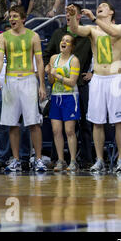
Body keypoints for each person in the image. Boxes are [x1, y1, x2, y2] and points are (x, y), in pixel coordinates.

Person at [67, 2, 121, 173]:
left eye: (104, 5)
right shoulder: (92, 30)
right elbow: (74, 30)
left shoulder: (120, 27)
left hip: (115, 78)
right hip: (98, 79)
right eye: (98, 6)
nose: (100, 6)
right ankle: (100, 159)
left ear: (111, 11)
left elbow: (113, 32)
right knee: (97, 122)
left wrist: (94, 18)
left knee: (119, 122)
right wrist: (73, 16)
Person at [0, 4, 47, 172]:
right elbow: (0, 59)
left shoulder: (34, 36)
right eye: (10, 16)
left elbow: (39, 61)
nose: (12, 19)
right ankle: (15, 159)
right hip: (10, 80)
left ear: (23, 19)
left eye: (15, 16)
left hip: (29, 79)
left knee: (33, 123)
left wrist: (42, 85)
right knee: (12, 123)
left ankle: (38, 159)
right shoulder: (3, 37)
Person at [43, 3, 93, 169]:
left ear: (79, 16)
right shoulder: (58, 33)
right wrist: (47, 67)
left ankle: (86, 159)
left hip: (81, 85)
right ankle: (57, 158)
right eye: (66, 13)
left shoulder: (87, 34)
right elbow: (47, 54)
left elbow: (99, 54)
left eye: (71, 13)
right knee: (57, 128)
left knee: (84, 124)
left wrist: (94, 71)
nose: (67, 15)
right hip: (58, 91)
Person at [47, 34, 80, 172]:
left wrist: (57, 76)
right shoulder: (54, 58)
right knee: (56, 130)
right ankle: (61, 160)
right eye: (62, 40)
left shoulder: (74, 60)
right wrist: (49, 74)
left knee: (69, 130)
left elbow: (72, 82)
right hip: (56, 97)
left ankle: (73, 161)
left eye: (67, 41)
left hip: (69, 98)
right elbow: (50, 81)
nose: (64, 42)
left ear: (71, 46)